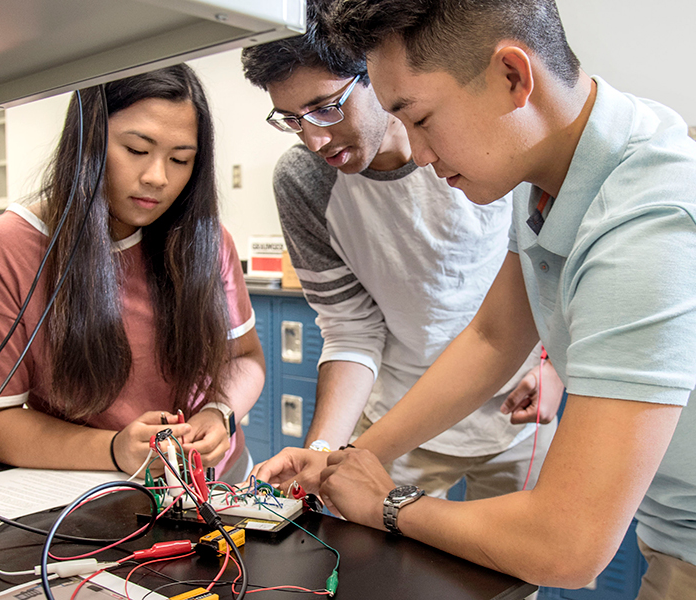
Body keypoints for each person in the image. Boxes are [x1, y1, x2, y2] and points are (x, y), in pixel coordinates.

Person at [256, 0, 696, 596]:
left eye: (421, 118)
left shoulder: (649, 224)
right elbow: (494, 338)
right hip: (670, 529)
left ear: (512, 77)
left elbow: (565, 547)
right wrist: (347, 460)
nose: (421, 153)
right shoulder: (548, 170)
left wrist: (388, 505)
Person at [240, 0, 562, 502]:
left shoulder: (487, 142)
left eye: (327, 106)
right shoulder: (305, 180)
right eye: (291, 119)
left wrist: (556, 363)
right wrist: (326, 449)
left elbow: (549, 276)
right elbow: (351, 328)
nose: (315, 138)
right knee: (371, 566)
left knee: (509, 576)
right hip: (399, 413)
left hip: (514, 414)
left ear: (375, 70)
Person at [0, 65, 265, 484]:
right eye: (135, 150)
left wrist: (219, 412)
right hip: (97, 486)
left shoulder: (205, 239)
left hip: (218, 483)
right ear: (87, 140)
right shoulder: (2, 252)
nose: (157, 177)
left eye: (181, 159)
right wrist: (114, 450)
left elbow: (245, 358)